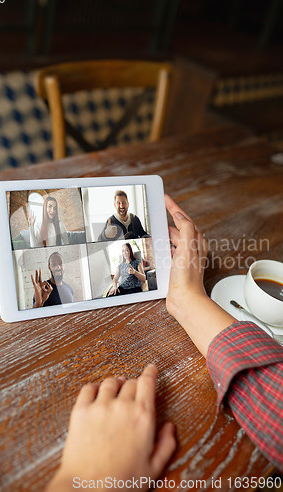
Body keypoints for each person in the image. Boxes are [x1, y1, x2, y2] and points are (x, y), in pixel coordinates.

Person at [45, 195, 283, 491]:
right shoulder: (113, 246)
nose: (121, 208)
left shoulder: (136, 238)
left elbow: (143, 280)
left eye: (123, 203)